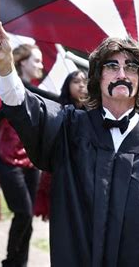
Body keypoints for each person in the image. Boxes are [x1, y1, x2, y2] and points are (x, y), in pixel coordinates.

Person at [0, 22, 139, 266]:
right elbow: (23, 106)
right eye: (112, 66)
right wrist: (5, 66)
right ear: (98, 78)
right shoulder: (69, 129)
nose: (122, 74)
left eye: (130, 67)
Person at [0, 43, 45, 267]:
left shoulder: (35, 90)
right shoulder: (12, 86)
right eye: (36, 61)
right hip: (7, 160)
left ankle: (19, 263)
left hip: (30, 161)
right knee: (23, 213)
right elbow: (46, 96)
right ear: (22, 62)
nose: (41, 65)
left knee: (28, 219)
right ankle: (11, 263)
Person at [34, 69, 88, 220]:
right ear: (67, 85)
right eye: (76, 82)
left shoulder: (93, 112)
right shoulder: (58, 108)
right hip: (60, 170)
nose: (81, 86)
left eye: (85, 82)